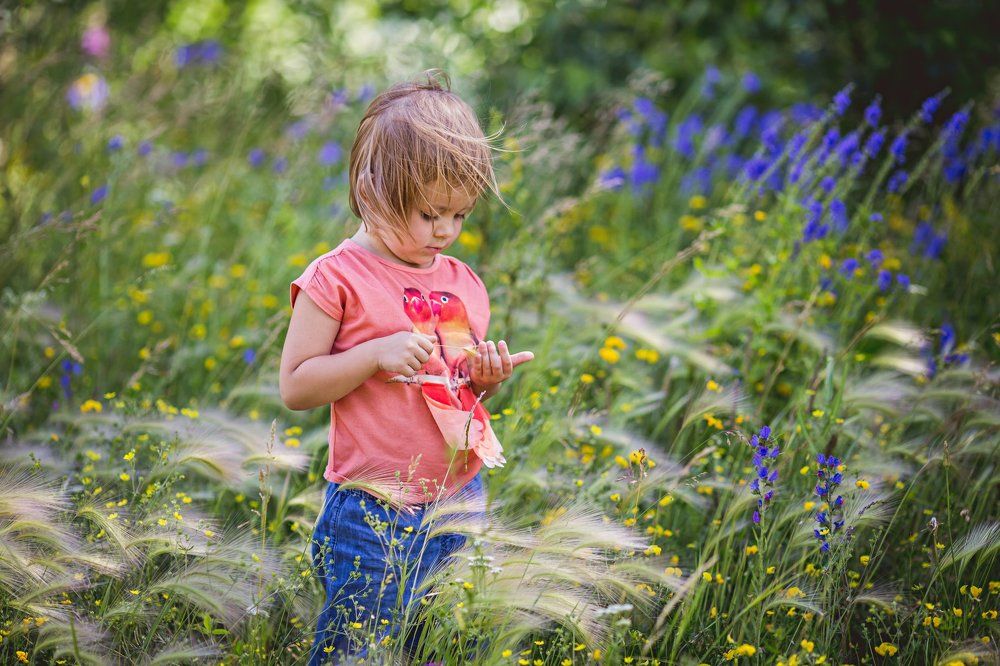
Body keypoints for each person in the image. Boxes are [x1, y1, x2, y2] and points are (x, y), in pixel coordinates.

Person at [279, 68, 535, 665]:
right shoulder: (336, 278)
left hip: (458, 497)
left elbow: (447, 392)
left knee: (440, 648)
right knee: (356, 651)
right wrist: (372, 356)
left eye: (461, 215)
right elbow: (295, 386)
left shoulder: (463, 283)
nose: (446, 231)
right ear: (372, 190)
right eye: (428, 214)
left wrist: (483, 381)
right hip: (372, 510)